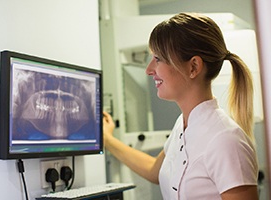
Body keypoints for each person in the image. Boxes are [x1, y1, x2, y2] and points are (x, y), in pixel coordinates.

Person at [103, 12, 258, 200]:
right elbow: (154, 170)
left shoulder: (226, 140)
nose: (149, 70)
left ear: (193, 67)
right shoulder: (183, 125)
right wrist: (108, 140)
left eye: (158, 59)